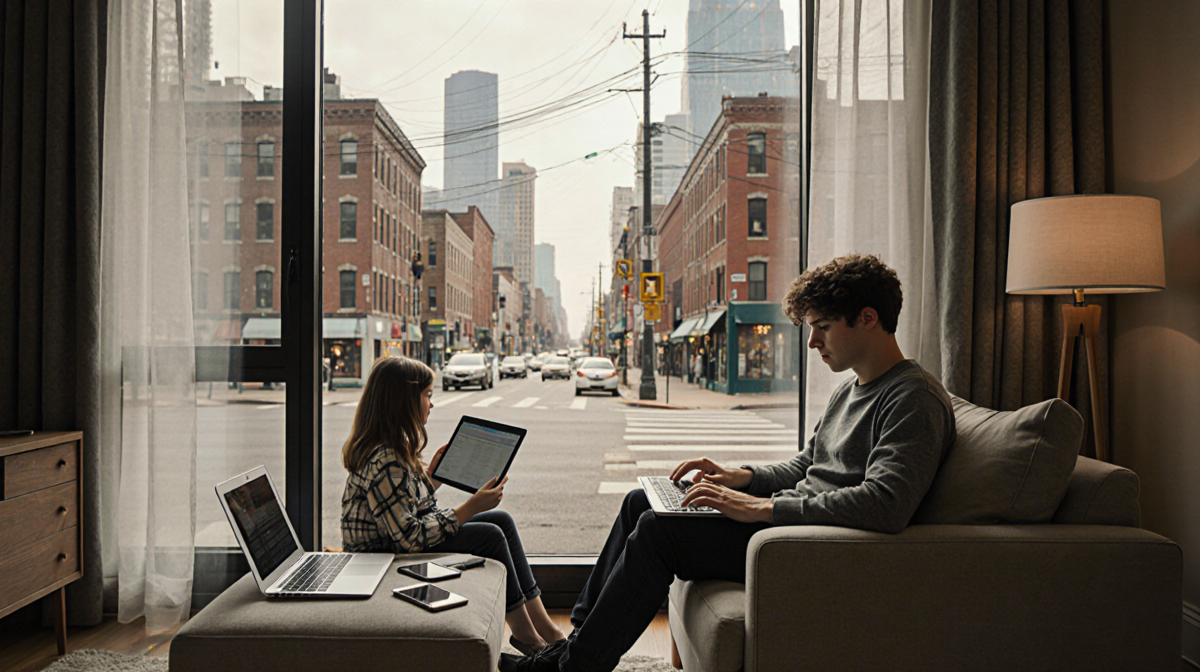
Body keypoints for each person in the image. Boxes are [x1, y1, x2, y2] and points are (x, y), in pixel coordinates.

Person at [500, 254, 957, 672]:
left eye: (823, 326)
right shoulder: (851, 389)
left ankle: (569, 669)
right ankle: (575, 643)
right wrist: (743, 478)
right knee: (642, 501)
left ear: (868, 318)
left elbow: (886, 504)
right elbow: (806, 466)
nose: (813, 341)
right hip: (784, 526)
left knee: (660, 534)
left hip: (803, 544)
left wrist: (760, 508)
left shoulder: (912, 397)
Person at [341, 356, 565, 656]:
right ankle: (530, 640)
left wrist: (431, 480)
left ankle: (549, 631)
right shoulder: (385, 459)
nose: (431, 404)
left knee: (502, 521)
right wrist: (470, 507)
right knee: (491, 536)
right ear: (404, 401)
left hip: (390, 544)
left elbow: (402, 507)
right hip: (382, 557)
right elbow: (408, 536)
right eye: (427, 395)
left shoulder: (391, 449)